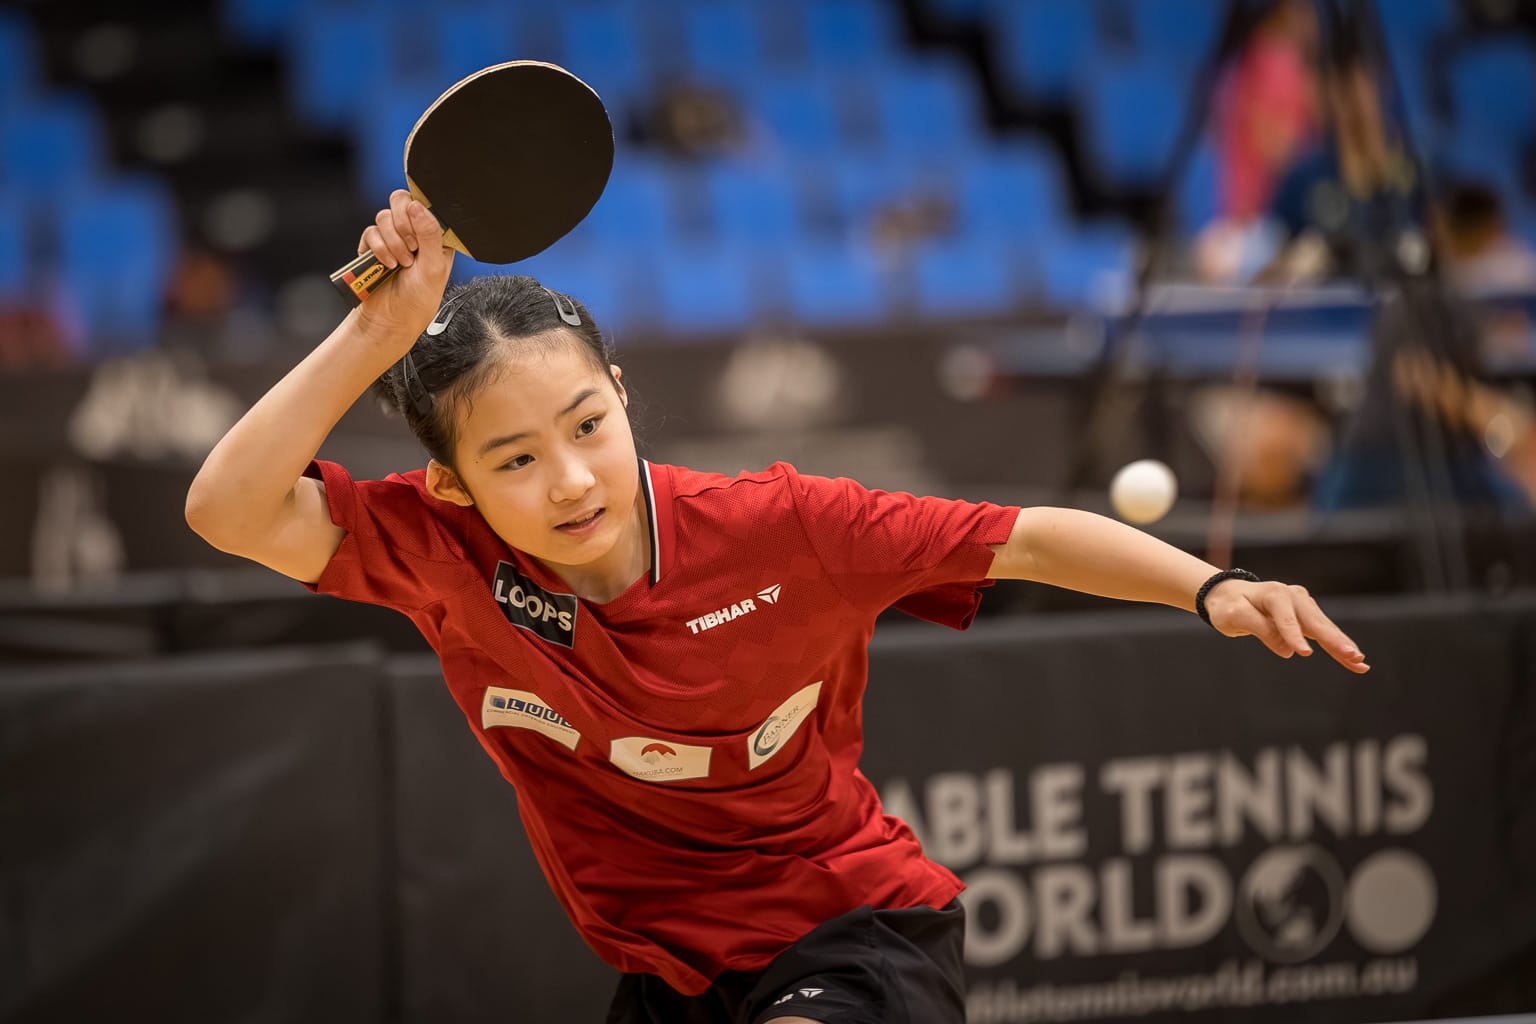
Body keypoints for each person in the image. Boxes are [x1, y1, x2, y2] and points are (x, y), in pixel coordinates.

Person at [185, 192, 1370, 1024]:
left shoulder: (781, 525)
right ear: (451, 482)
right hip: (671, 980)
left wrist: (1212, 585)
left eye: (589, 425)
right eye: (515, 458)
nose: (572, 479)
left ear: (624, 396)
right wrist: (377, 329)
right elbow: (227, 508)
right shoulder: (436, 550)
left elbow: (1027, 538)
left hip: (849, 933)